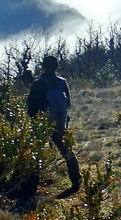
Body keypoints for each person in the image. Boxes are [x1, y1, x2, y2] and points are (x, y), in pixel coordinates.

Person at [27, 55, 81, 199]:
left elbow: (31, 106)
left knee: (35, 153)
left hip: (42, 123)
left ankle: (31, 186)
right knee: (66, 151)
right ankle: (76, 180)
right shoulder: (62, 82)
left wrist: (34, 121)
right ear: (57, 66)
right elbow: (68, 103)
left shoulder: (38, 84)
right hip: (60, 121)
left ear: (43, 66)